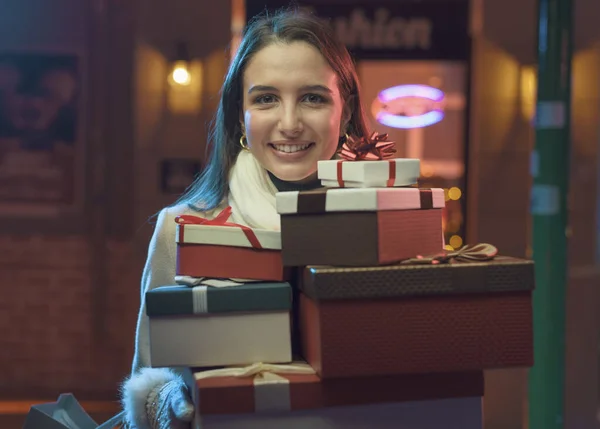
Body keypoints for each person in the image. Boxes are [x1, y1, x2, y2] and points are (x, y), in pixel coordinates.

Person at [120, 7, 371, 429]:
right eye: (266, 98)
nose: (289, 123)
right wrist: (166, 403)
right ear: (241, 113)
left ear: (344, 112)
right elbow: (148, 376)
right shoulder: (181, 230)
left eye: (312, 97)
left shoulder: (388, 226)